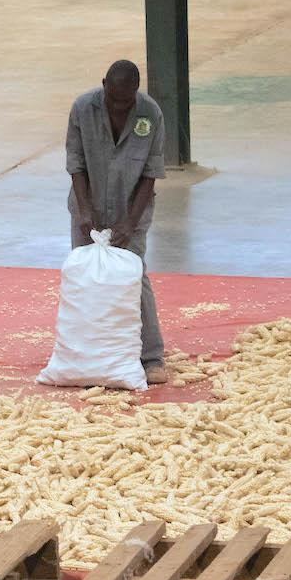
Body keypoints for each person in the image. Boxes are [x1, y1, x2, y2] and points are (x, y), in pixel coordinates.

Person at [66, 59, 168, 384]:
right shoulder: (82, 109)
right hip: (88, 210)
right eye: (112, 100)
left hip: (132, 210)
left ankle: (151, 356)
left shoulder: (150, 114)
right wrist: (85, 209)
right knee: (88, 280)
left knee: (134, 276)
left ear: (135, 95)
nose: (118, 108)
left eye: (126, 103)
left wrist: (130, 221)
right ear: (104, 86)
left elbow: (151, 174)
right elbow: (76, 162)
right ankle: (89, 354)